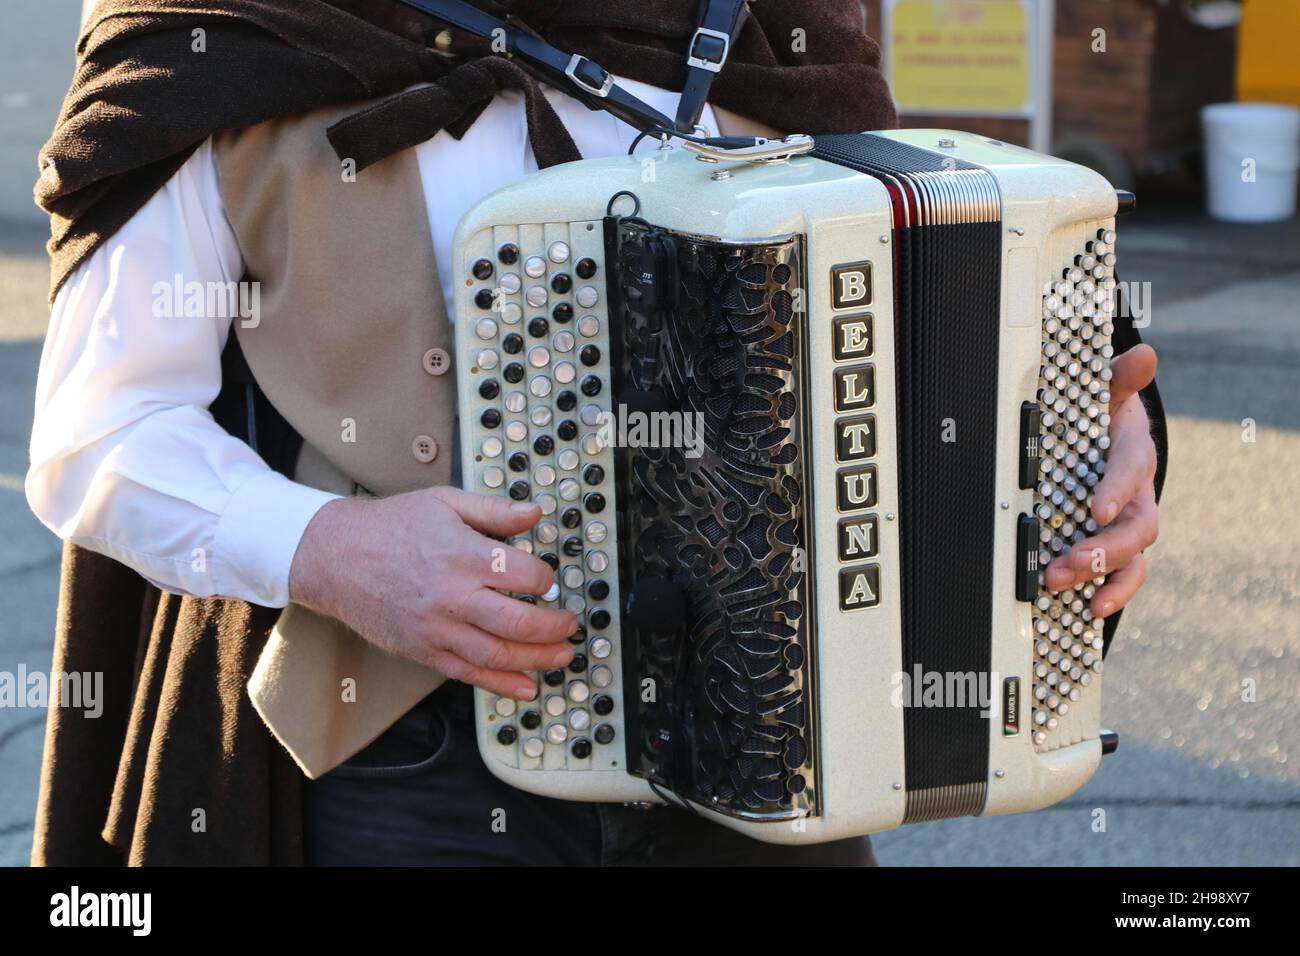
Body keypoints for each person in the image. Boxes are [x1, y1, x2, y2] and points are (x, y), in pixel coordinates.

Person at [26, 0, 1164, 866]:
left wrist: (1088, 447)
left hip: (783, 733)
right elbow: (98, 428)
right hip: (413, 750)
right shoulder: (217, 33)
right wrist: (329, 549)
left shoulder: (762, 20)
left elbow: (919, 283)